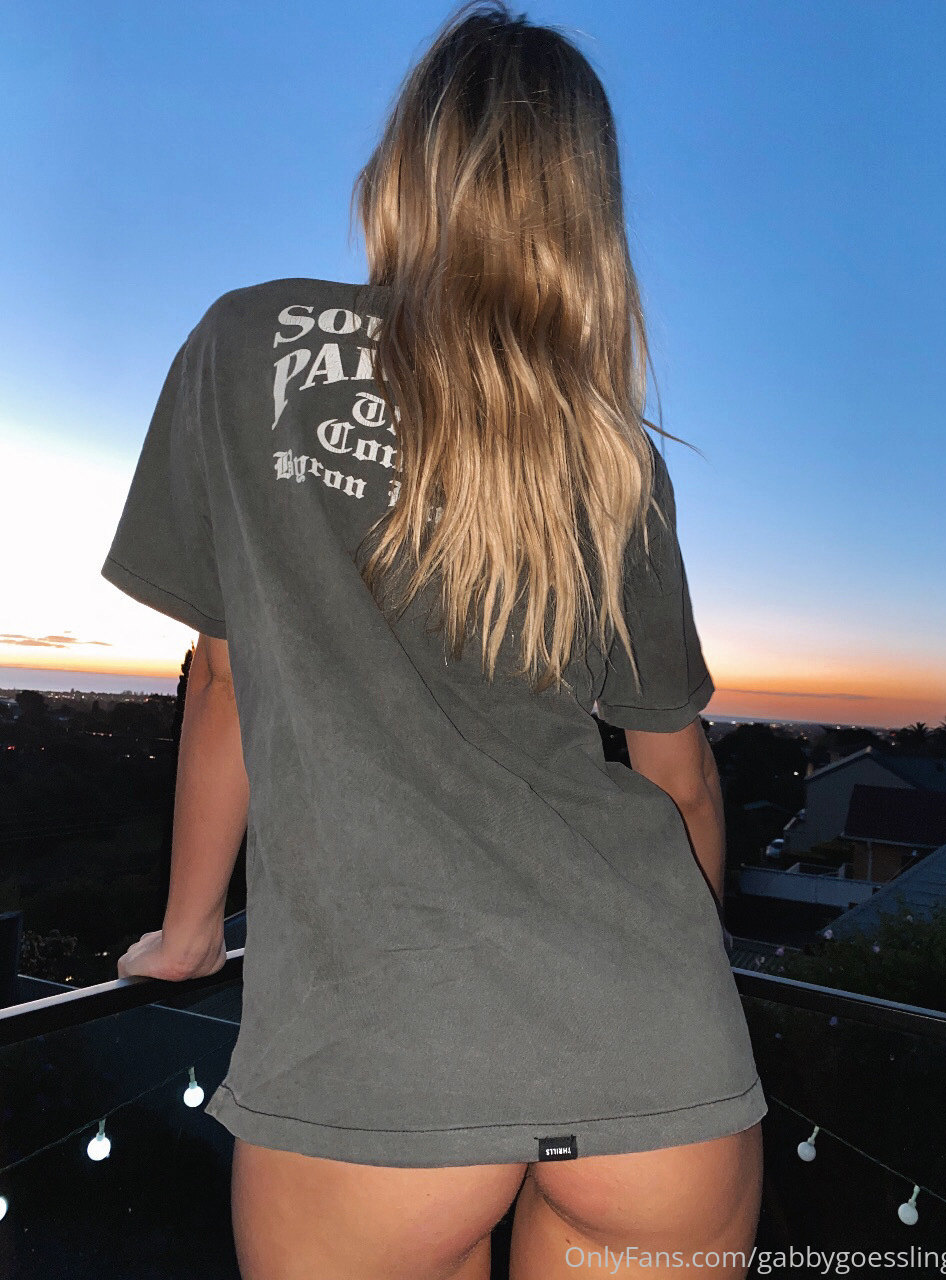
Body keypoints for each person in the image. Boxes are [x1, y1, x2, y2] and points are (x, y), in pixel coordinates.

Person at [103, 2, 766, 1276]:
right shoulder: (607, 447)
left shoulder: (249, 346)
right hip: (662, 1048)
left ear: (405, 167)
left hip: (379, 1065)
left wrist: (189, 931)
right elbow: (678, 776)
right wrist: (693, 973)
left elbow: (227, 680)